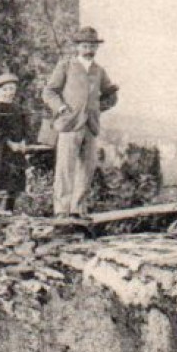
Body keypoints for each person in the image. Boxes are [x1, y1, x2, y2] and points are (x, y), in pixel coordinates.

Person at [41, 27, 119, 218]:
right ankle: (61, 210)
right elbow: (49, 92)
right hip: (69, 124)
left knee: (87, 168)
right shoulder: (66, 65)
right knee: (65, 168)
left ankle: (78, 209)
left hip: (90, 126)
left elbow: (111, 95)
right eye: (84, 45)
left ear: (96, 48)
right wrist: (60, 108)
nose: (88, 49)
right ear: (77, 47)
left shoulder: (99, 71)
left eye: (92, 45)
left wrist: (96, 109)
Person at [0, 71, 34, 211]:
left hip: (15, 155)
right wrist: (10, 144)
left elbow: (26, 128)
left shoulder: (18, 108)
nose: (9, 92)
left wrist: (22, 143)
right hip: (0, 154)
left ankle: (8, 220)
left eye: (11, 89)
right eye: (5, 89)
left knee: (12, 190)